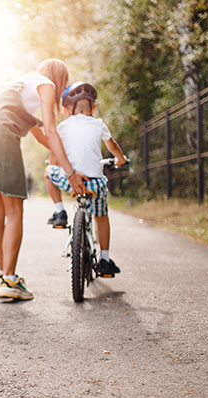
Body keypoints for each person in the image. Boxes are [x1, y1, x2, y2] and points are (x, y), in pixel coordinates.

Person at [0, 59, 87, 300]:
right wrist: (71, 174)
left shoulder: (19, 87)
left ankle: (6, 277)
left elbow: (43, 138)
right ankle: (9, 278)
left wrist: (64, 163)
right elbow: (51, 131)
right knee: (15, 211)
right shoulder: (46, 85)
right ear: (59, 78)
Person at [42, 81, 127, 277]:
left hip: (70, 180)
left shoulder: (63, 127)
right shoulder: (98, 124)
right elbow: (112, 145)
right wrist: (120, 159)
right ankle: (105, 260)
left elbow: (55, 157)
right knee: (101, 216)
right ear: (93, 107)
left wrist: (56, 165)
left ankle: (60, 212)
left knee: (48, 172)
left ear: (66, 108)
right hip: (94, 183)